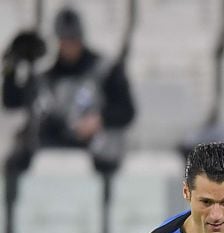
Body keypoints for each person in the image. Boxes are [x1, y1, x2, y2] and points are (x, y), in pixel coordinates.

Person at [1, 7, 136, 177]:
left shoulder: (105, 70)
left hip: (96, 149)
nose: (69, 46)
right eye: (64, 40)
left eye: (73, 40)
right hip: (57, 141)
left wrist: (99, 120)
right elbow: (12, 101)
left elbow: (127, 111)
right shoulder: (49, 75)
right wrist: (10, 68)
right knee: (19, 155)